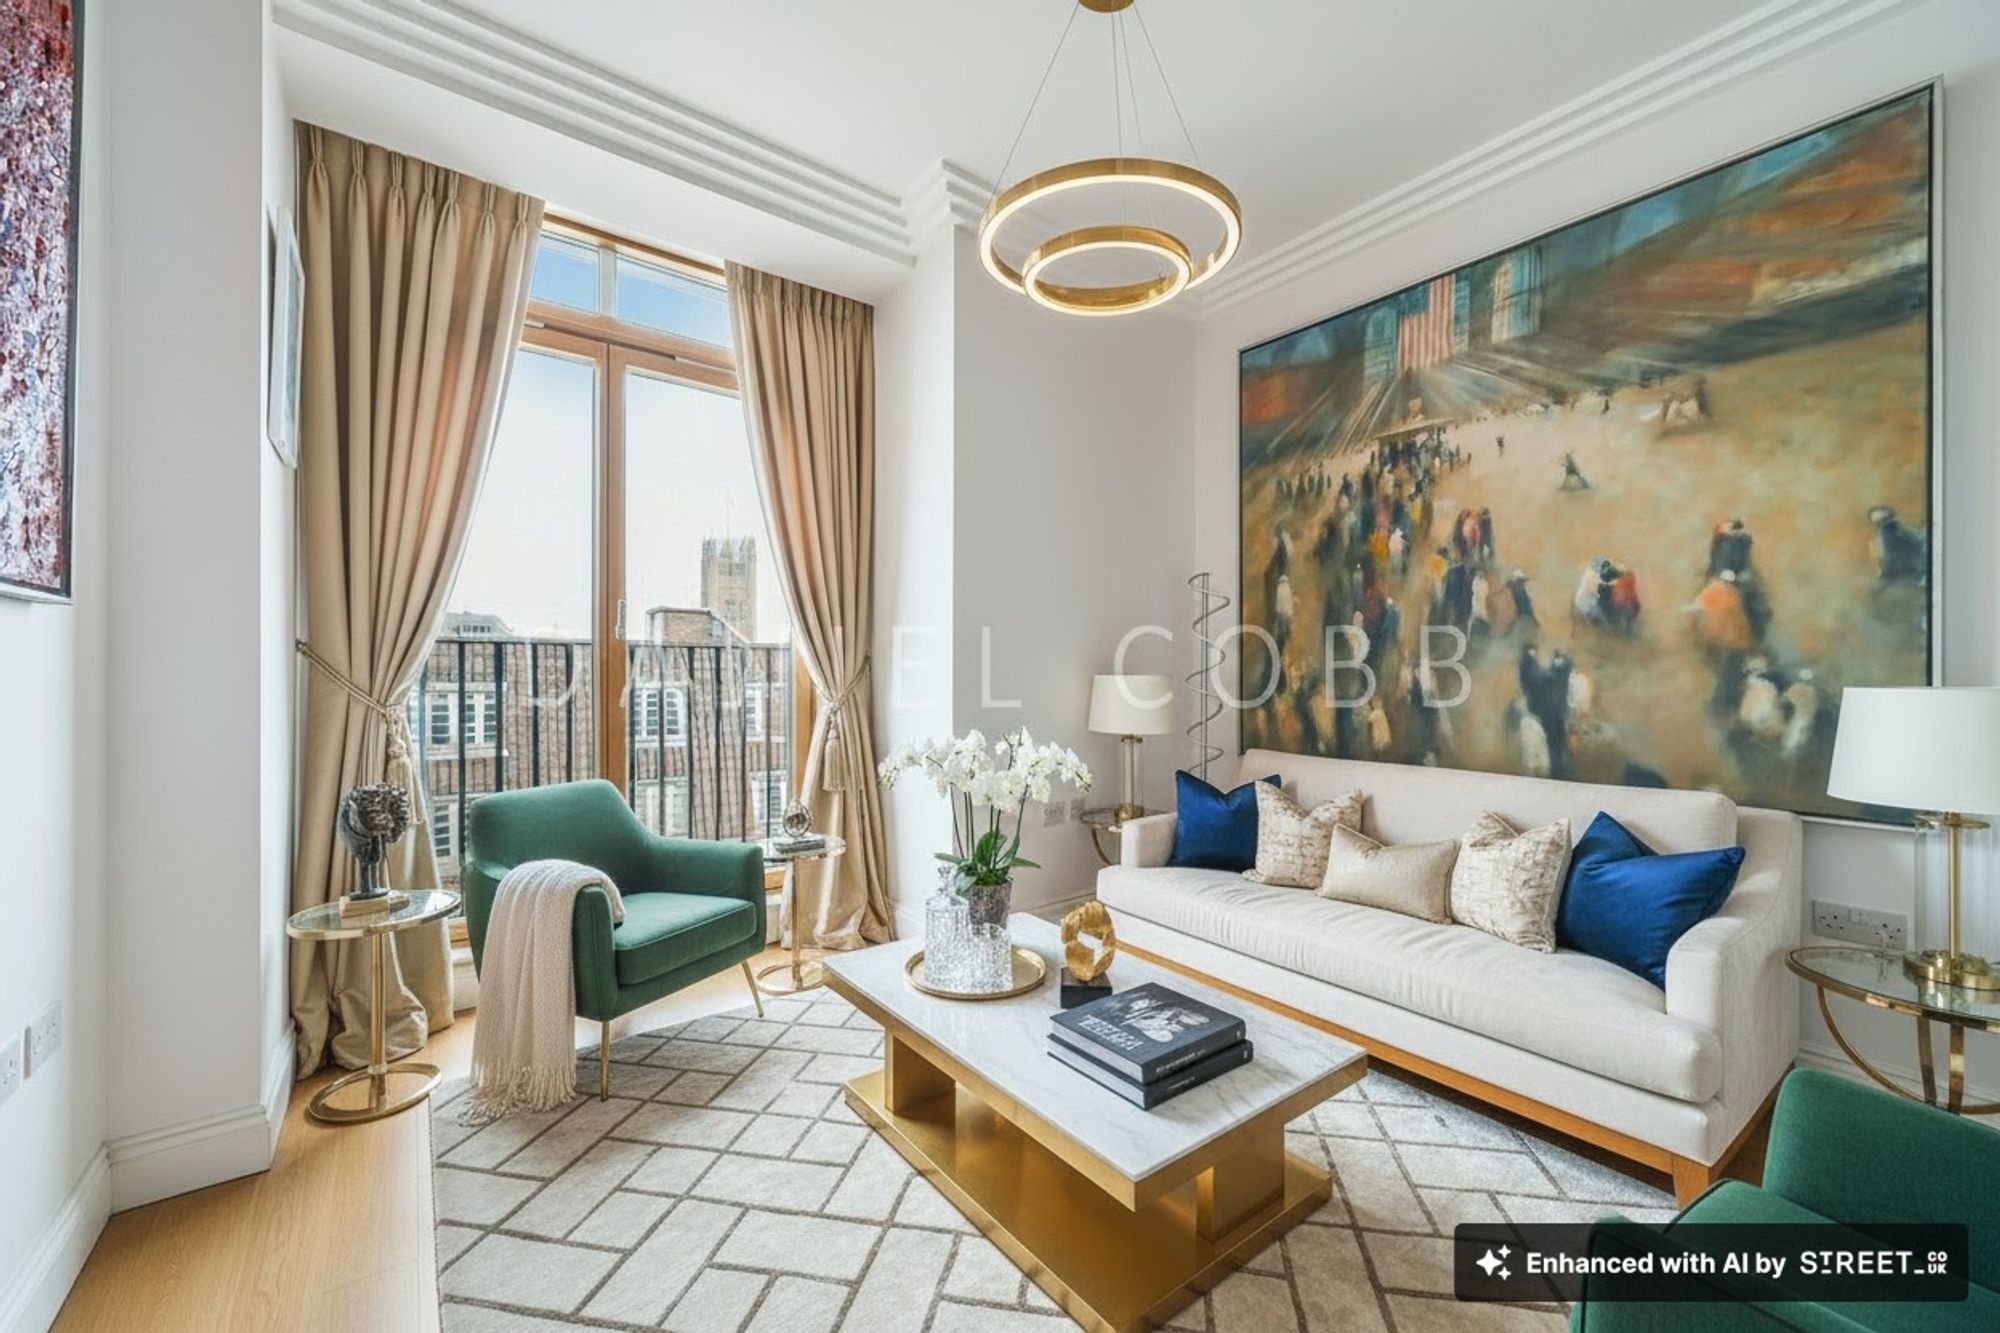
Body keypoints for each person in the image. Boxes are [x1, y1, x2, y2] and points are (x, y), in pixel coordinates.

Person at [1869, 505, 1926, 585]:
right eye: (1880, 522)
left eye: (1889, 517)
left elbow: (1917, 539)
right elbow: (1881, 563)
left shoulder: (1902, 530)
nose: (1887, 523)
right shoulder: (1877, 542)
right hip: (1904, 572)